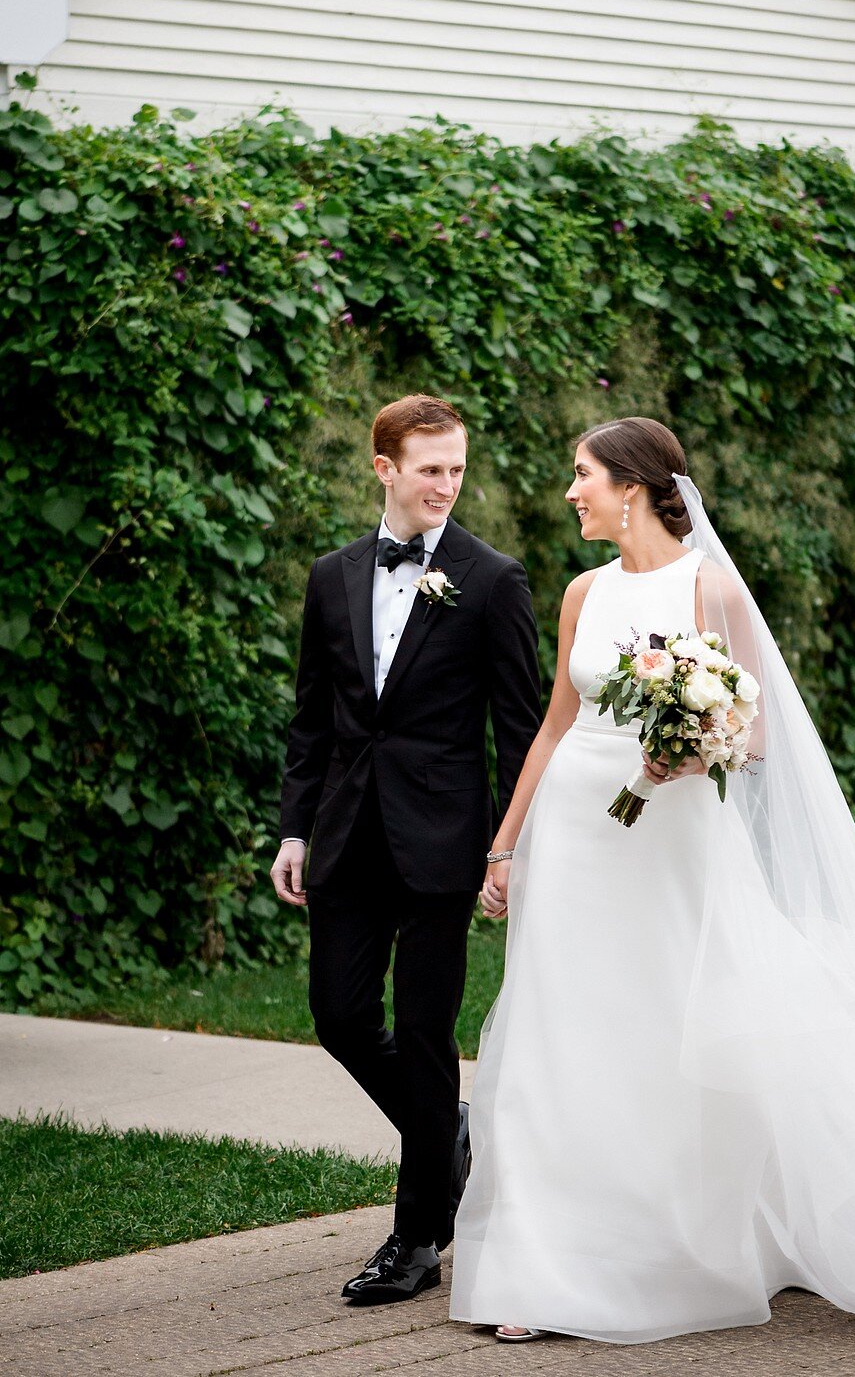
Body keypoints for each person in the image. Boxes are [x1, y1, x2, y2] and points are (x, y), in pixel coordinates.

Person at [448, 415, 855, 1353]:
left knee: (664, 1031)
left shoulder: (710, 588)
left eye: (581, 475)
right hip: (576, 840)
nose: (570, 492)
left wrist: (692, 747)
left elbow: (760, 734)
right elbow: (551, 728)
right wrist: (505, 849)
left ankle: (676, 1244)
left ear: (632, 485)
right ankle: (546, 1264)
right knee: (558, 1032)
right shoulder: (582, 591)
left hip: (672, 842)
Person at [271, 394, 543, 1307]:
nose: (447, 484)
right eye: (431, 468)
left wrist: (506, 849)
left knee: (426, 1033)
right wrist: (296, 826)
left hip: (443, 840)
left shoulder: (492, 579)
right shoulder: (331, 575)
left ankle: (418, 1236)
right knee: (340, 1016)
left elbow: (522, 727)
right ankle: (446, 1130)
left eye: (458, 467)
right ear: (383, 466)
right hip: (347, 832)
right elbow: (314, 715)